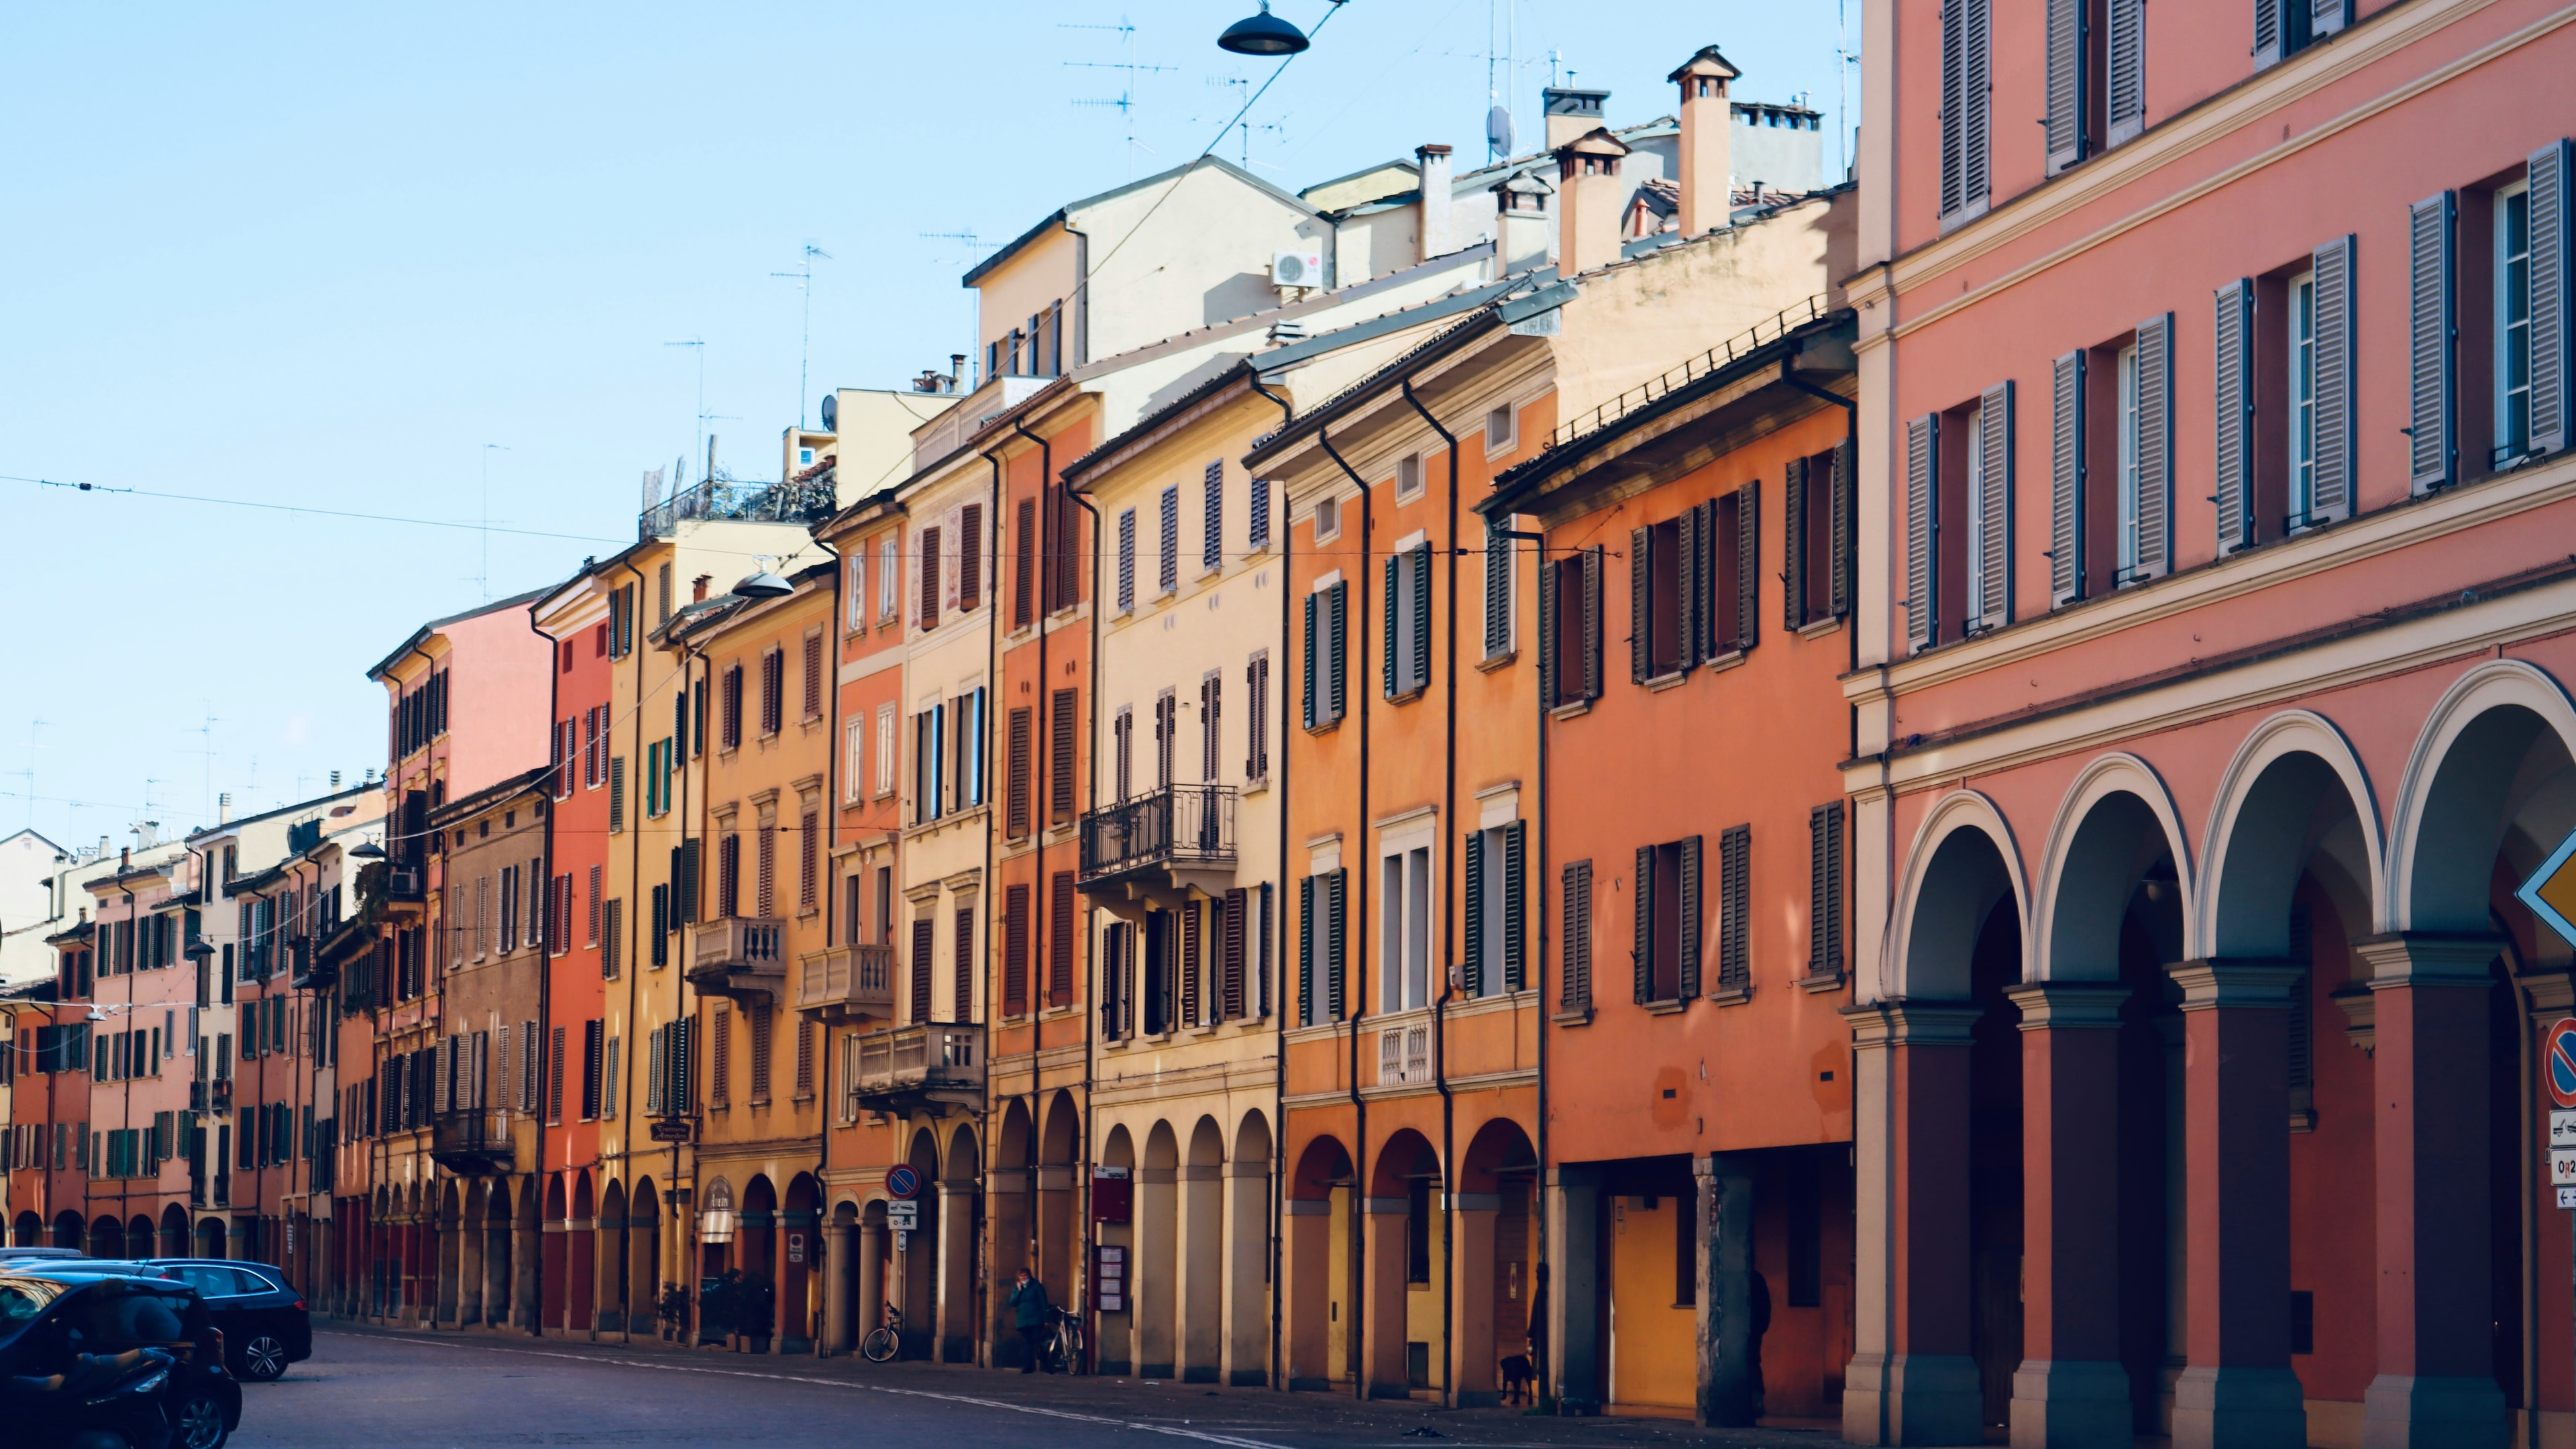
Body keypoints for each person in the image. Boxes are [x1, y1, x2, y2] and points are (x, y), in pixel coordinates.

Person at [1007, 1269, 1052, 1373]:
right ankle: (1029, 1367)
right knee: (1028, 1344)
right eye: (1021, 1276)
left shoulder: (1037, 1287)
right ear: (1018, 1278)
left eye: (1025, 1275)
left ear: (1029, 1276)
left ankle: (1045, 1364)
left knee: (1037, 1343)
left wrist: (1046, 1319)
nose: (1023, 1278)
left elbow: (1044, 1303)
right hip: (1023, 1321)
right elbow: (1013, 1303)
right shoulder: (1017, 1289)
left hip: (1036, 1319)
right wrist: (1019, 1291)